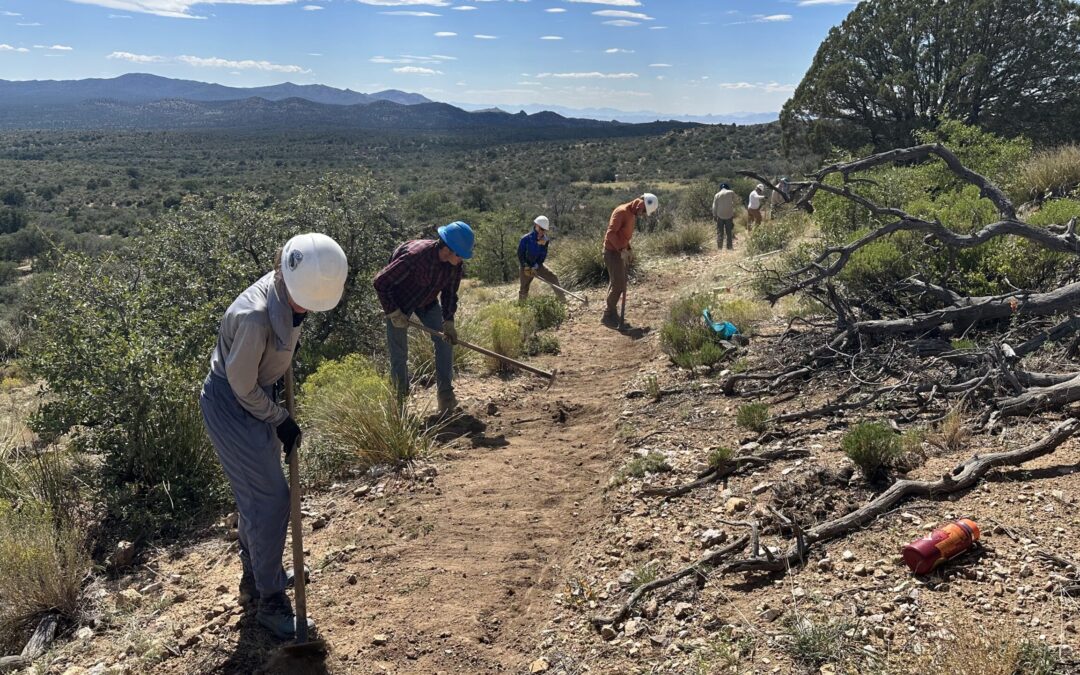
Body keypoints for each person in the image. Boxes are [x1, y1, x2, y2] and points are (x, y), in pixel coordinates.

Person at [199, 232, 348, 640]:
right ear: (284, 277)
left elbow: (274, 355)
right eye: (304, 302)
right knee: (270, 500)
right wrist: (279, 418)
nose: (306, 310)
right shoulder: (254, 315)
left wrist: (276, 396)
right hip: (234, 405)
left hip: (257, 398)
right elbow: (242, 386)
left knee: (257, 497)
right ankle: (269, 599)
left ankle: (254, 572)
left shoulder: (300, 286)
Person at [373, 221, 473, 415]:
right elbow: (380, 282)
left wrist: (449, 321)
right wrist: (393, 312)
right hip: (399, 302)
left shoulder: (454, 266)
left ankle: (445, 396)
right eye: (460, 255)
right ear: (448, 249)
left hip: (427, 301)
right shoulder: (414, 258)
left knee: (445, 341)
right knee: (399, 353)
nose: (462, 260)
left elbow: (450, 294)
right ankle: (399, 405)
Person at [601, 192, 658, 327]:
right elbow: (610, 234)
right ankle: (608, 315)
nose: (643, 215)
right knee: (619, 285)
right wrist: (621, 250)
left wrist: (629, 250)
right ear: (641, 204)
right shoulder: (621, 212)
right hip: (612, 252)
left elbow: (623, 236)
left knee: (616, 283)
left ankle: (611, 312)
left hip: (619, 252)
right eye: (644, 211)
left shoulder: (631, 214)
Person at [518, 215, 566, 303]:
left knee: (553, 278)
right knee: (524, 288)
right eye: (541, 229)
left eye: (544, 230)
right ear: (536, 225)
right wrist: (526, 266)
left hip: (538, 266)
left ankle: (563, 302)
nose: (542, 232)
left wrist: (537, 265)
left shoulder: (545, 240)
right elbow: (520, 254)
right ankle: (522, 307)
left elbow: (543, 255)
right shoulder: (525, 239)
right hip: (526, 267)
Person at [711, 182, 739, 250]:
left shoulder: (717, 195)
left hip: (720, 215)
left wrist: (714, 215)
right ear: (727, 187)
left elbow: (714, 206)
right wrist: (732, 206)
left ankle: (719, 247)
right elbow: (736, 201)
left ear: (720, 188)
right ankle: (729, 247)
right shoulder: (731, 192)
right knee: (729, 231)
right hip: (729, 215)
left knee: (720, 231)